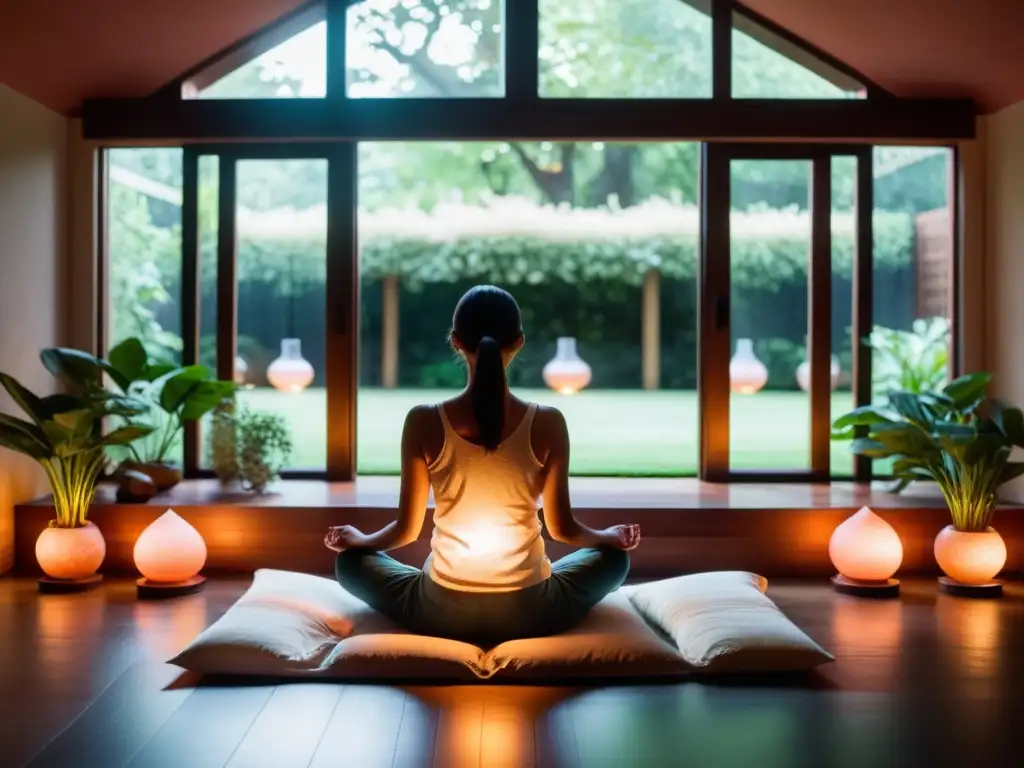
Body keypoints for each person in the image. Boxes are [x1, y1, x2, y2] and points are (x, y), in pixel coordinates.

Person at [327, 285, 640, 647]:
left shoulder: (423, 421)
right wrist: (609, 538)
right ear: (519, 342)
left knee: (349, 564)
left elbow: (406, 531)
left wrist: (361, 542)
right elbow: (563, 528)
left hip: (440, 611)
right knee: (615, 560)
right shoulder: (549, 423)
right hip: (533, 611)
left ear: (456, 342)